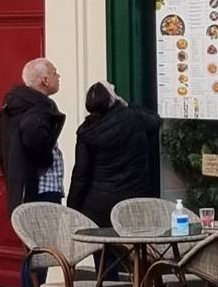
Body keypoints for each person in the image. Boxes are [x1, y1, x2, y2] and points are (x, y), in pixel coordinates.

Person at [0, 57, 64, 287]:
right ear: (44, 80)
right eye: (55, 73)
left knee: (34, 246)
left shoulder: (12, 107)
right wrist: (46, 160)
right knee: (41, 247)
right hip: (41, 187)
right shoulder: (36, 111)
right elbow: (35, 142)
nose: (59, 77)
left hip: (23, 186)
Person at [67, 81, 162, 227]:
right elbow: (155, 120)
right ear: (114, 99)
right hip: (133, 201)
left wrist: (72, 207)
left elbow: (81, 174)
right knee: (133, 244)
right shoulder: (134, 119)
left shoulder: (87, 131)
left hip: (98, 204)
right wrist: (128, 105)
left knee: (102, 246)